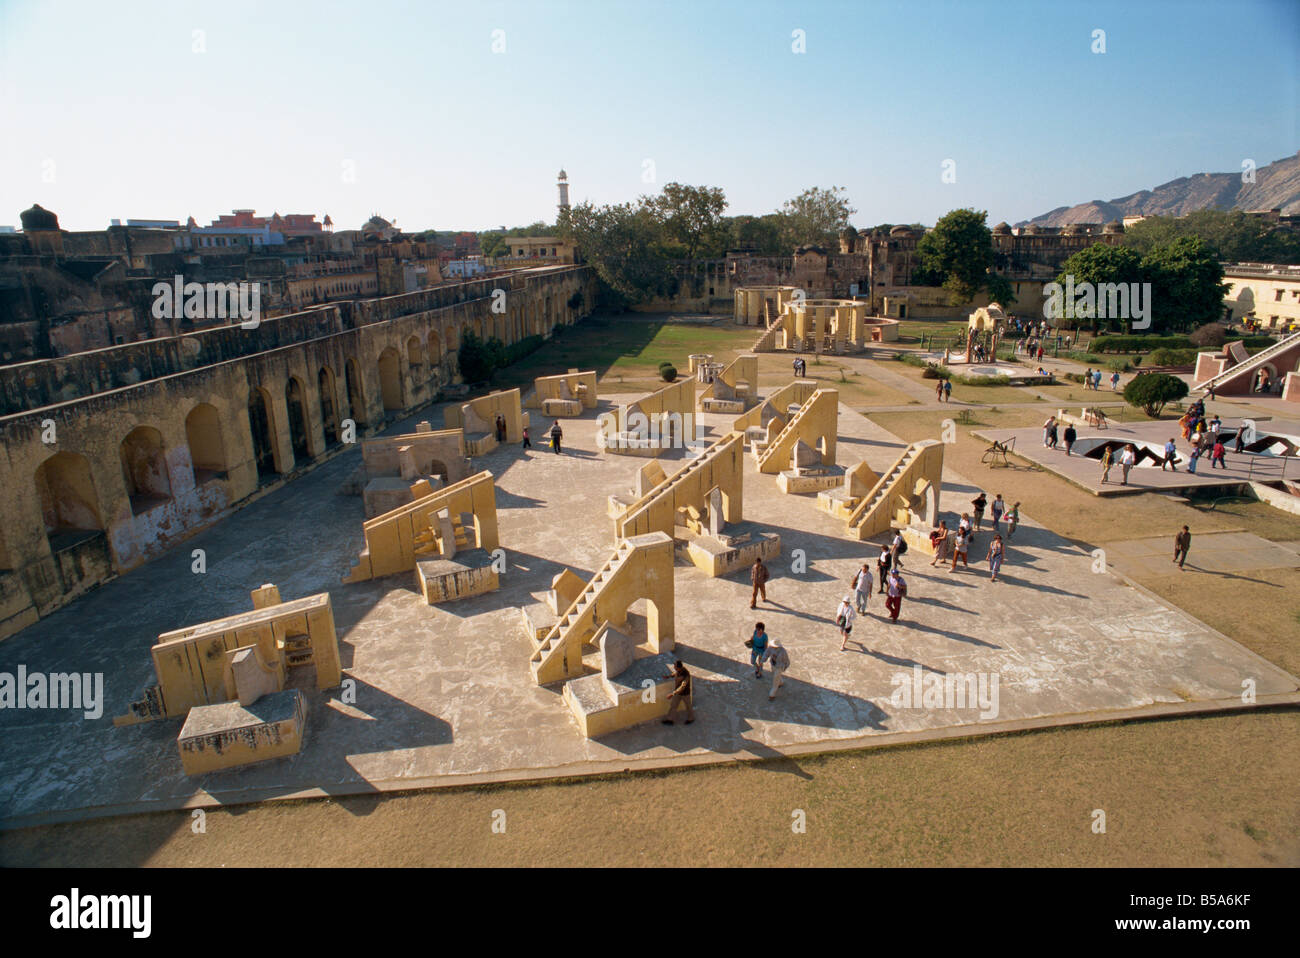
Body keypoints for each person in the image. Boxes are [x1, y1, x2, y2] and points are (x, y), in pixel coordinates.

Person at [661, 660, 695, 725]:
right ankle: (670, 719)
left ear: (679, 667)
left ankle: (691, 718)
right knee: (673, 706)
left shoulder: (686, 674)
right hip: (677, 693)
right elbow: (675, 673)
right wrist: (669, 676)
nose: (674, 668)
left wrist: (672, 693)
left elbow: (682, 687)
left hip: (685, 694)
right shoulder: (679, 671)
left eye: (675, 667)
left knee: (688, 706)